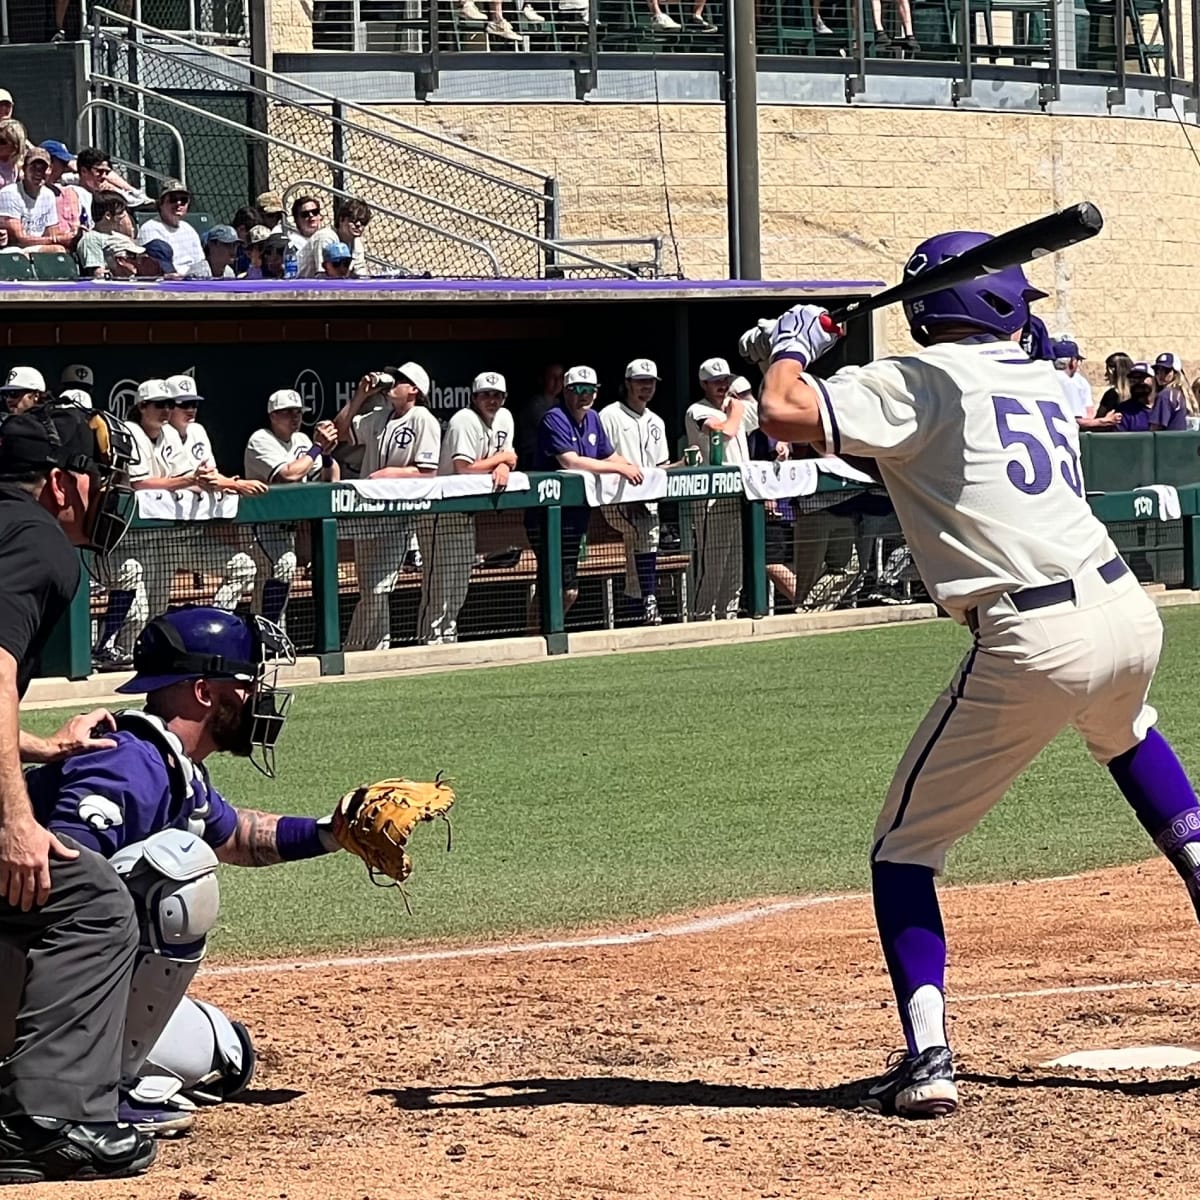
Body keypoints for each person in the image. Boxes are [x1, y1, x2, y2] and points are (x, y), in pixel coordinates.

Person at [749, 228, 1200, 1119]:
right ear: (1000, 306)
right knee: (1127, 734)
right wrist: (800, 359)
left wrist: (794, 348)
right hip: (1125, 612)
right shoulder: (1039, 379)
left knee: (903, 852)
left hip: (1033, 636)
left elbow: (784, 416)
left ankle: (929, 1062)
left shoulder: (920, 381)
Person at [23, 607, 352, 1135]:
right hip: (28, 973)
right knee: (176, 876)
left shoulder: (172, 765)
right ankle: (91, 1090)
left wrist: (333, 832)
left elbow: (236, 836)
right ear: (203, 692)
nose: (256, 698)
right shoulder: (124, 764)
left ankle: (95, 1072)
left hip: (49, 979)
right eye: (245, 683)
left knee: (227, 1055)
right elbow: (54, 871)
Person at [0, 402, 155, 1182]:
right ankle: (46, 1121)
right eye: (99, 477)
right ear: (60, 482)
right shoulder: (35, 538)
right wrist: (13, 821)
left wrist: (37, 745)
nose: (107, 493)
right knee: (89, 901)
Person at [334, 363, 440, 651]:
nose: (393, 382)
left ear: (414, 389)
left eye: (401, 380)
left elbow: (427, 471)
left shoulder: (423, 418)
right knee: (370, 589)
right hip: (369, 511)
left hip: (399, 515)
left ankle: (350, 651)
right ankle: (379, 652)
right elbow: (339, 431)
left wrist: (389, 473)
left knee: (379, 590)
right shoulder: (380, 415)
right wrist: (359, 396)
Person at [527, 364, 643, 624]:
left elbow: (609, 454)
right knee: (559, 587)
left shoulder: (593, 418)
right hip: (546, 518)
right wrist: (619, 469)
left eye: (590, 390)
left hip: (576, 519)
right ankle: (538, 635)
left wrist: (631, 467)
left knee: (561, 588)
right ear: (566, 392)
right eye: (578, 389)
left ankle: (539, 631)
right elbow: (570, 462)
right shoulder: (554, 417)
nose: (584, 395)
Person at [418, 371, 517, 645]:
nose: (492, 400)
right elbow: (464, 468)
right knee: (438, 584)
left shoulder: (505, 418)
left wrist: (501, 463)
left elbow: (507, 458)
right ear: (474, 397)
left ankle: (449, 640)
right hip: (441, 509)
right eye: (486, 395)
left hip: (465, 514)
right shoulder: (464, 419)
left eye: (497, 395)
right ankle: (429, 642)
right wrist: (503, 459)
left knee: (460, 583)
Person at [244, 389, 340, 626]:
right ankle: (268, 634)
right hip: (261, 524)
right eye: (287, 413)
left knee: (277, 579)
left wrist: (326, 455)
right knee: (283, 568)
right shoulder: (260, 439)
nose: (295, 417)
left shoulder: (302, 441)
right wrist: (317, 448)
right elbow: (288, 475)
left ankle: (267, 636)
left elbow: (331, 478)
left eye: (298, 412)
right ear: (273, 415)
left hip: (289, 528)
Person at [598, 358, 672, 625]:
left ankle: (635, 608)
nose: (646, 387)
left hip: (647, 498)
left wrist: (685, 464)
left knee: (641, 545)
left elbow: (661, 466)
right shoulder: (609, 415)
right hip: (616, 496)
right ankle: (649, 601)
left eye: (650, 382)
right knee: (645, 530)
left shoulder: (656, 421)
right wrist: (627, 495)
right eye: (641, 382)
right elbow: (602, 458)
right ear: (628, 384)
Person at [684, 361, 757, 621]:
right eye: (716, 381)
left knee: (734, 566)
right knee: (712, 566)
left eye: (725, 380)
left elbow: (768, 418)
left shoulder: (735, 404)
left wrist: (744, 396)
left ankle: (728, 618)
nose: (722, 385)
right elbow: (723, 431)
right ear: (704, 384)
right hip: (712, 498)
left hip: (740, 493)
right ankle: (700, 620)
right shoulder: (697, 409)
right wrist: (736, 409)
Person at [0, 147, 72, 251]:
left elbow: (52, 232)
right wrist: (57, 240)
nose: (39, 172)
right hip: (13, 250)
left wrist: (72, 235)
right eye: (33, 167)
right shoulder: (9, 194)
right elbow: (20, 239)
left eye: (43, 168)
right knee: (57, 250)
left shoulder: (49, 195)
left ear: (50, 170)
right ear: (24, 169)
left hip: (38, 248)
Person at [137, 180, 203, 277]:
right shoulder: (150, 228)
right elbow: (155, 266)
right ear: (161, 203)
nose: (179, 203)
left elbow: (199, 261)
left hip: (194, 277)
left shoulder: (188, 229)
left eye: (184, 200)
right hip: (169, 278)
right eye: (173, 199)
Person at [1079, 361, 1155, 432]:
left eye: (1142, 378)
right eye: (1133, 379)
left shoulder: (1163, 405)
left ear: (1153, 380)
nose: (1137, 382)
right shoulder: (1125, 410)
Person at [1051, 337, 1092, 420]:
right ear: (1073, 362)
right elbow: (1076, 419)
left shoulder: (1047, 377)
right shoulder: (1068, 382)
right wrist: (1102, 422)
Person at [1150, 352, 1189, 430]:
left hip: (1168, 441)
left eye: (1166, 371)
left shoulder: (1165, 395)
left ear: (1175, 373)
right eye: (1157, 370)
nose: (1161, 374)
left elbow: (1155, 429)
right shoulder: (1181, 394)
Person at [1096, 351, 1133, 418]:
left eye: (1106, 370)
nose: (1106, 374)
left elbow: (1100, 420)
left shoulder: (1111, 395)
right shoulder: (1139, 392)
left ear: (1111, 370)